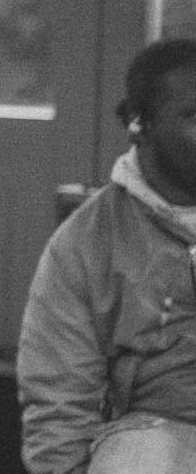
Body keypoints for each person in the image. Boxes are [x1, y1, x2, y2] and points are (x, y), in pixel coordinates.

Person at [18, 38, 196, 473]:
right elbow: (59, 402)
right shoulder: (85, 245)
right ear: (139, 122)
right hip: (156, 433)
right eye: (195, 115)